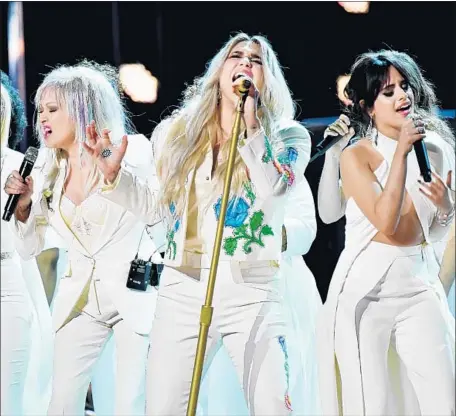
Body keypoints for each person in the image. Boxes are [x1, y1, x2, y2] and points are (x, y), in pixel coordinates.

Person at [84, 32, 313, 415]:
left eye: (255, 60)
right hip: (182, 287)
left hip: (251, 288)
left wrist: (252, 126)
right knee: (165, 407)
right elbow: (160, 209)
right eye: (235, 56)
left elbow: (274, 190)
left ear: (267, 77)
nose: (244, 63)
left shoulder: (288, 137)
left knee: (273, 402)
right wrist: (115, 178)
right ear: (218, 71)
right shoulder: (178, 134)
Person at [5, 61, 162, 415]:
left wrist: (114, 175)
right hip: (79, 297)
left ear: (81, 109)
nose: (42, 118)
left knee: (130, 402)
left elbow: (157, 214)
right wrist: (24, 209)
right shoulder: (47, 168)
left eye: (53, 109)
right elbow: (28, 248)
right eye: (39, 110)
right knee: (60, 403)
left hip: (132, 290)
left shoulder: (132, 150)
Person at [317, 50, 455, 416]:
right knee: (370, 405)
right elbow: (386, 221)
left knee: (444, 398)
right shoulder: (357, 155)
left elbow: (436, 234)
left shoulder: (438, 149)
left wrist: (446, 206)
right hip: (367, 292)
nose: (402, 97)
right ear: (368, 107)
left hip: (418, 285)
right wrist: (401, 155)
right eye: (388, 92)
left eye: (405, 86)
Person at [197, 173, 322, 416]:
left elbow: (305, 230)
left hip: (282, 288)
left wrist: (263, 235)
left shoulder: (281, 164)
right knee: (225, 390)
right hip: (219, 289)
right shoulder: (206, 168)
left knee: (283, 388)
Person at [1, 71, 54, 415]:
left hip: (7, 283)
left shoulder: (18, 167)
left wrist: (23, 207)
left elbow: (36, 235)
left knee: (9, 397)